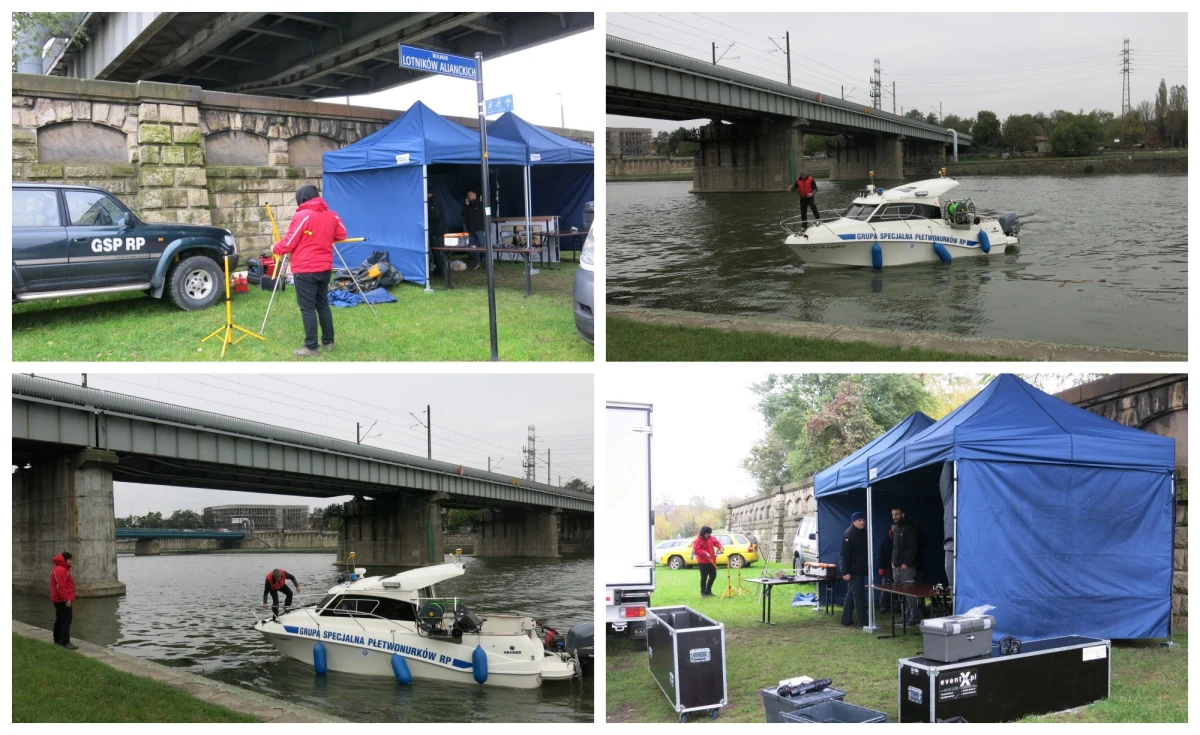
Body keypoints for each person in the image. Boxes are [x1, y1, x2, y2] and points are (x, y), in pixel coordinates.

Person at [271, 185, 347, 358]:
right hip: (325, 268)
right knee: (322, 304)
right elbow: (342, 234)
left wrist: (275, 248)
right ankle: (328, 341)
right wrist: (324, 236)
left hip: (306, 269)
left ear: (302, 199)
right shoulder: (332, 215)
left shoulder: (302, 215)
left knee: (307, 308)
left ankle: (311, 347)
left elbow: (289, 243)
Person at [891, 507, 922, 626]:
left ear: (902, 514)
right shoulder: (896, 529)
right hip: (896, 567)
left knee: (909, 593)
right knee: (901, 593)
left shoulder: (909, 528)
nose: (894, 517)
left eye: (897, 514)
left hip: (906, 568)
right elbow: (894, 548)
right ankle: (905, 616)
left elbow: (913, 547)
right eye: (893, 515)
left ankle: (914, 617)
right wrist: (893, 561)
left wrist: (906, 563)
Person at [839, 512, 869, 628]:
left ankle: (845, 620)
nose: (862, 522)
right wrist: (845, 572)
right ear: (853, 521)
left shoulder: (863, 532)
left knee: (851, 595)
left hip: (859, 568)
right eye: (859, 520)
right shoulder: (849, 534)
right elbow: (843, 555)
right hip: (854, 570)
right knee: (859, 596)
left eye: (863, 520)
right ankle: (863, 622)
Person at [49, 551, 77, 649]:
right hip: (62, 600)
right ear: (64, 560)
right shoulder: (60, 570)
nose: (71, 561)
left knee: (60, 619)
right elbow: (61, 586)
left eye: (72, 559)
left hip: (59, 599)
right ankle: (65, 642)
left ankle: (57, 640)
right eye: (70, 559)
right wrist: (66, 599)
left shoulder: (61, 569)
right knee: (66, 620)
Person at [691, 526, 724, 598]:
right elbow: (696, 550)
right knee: (704, 577)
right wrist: (705, 553)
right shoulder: (697, 541)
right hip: (702, 562)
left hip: (711, 561)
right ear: (703, 533)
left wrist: (720, 548)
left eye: (710, 534)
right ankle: (703, 592)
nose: (709, 535)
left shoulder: (711, 538)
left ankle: (708, 591)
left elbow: (717, 543)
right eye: (707, 534)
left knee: (713, 576)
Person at [460, 191, 486, 270]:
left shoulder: (481, 204)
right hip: (471, 229)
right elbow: (463, 214)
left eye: (470, 195)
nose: (468, 196)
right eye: (467, 195)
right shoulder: (469, 206)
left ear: (474, 195)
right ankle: (477, 263)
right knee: (473, 247)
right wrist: (466, 205)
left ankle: (485, 261)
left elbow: (487, 215)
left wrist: (485, 228)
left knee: (483, 245)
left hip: (479, 229)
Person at [428, 191, 447, 278]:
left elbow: (435, 215)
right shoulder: (435, 200)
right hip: (436, 231)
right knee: (436, 252)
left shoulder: (435, 201)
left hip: (437, 231)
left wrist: (426, 212)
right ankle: (438, 271)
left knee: (439, 252)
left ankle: (442, 273)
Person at [877, 526, 895, 613]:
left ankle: (895, 606)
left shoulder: (899, 539)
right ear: (890, 530)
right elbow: (881, 555)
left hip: (896, 568)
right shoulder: (886, 541)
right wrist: (881, 567)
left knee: (897, 589)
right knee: (885, 588)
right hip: (887, 568)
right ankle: (883, 606)